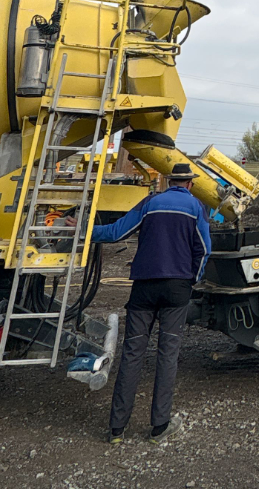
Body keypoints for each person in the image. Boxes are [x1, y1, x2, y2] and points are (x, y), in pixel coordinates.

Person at [85, 162, 212, 445]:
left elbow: (116, 233)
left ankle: (117, 429)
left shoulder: (150, 203)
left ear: (167, 181)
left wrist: (84, 229)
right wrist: (192, 280)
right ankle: (159, 427)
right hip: (177, 290)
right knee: (168, 355)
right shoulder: (196, 207)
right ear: (190, 184)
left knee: (132, 353)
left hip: (144, 288)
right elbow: (204, 250)